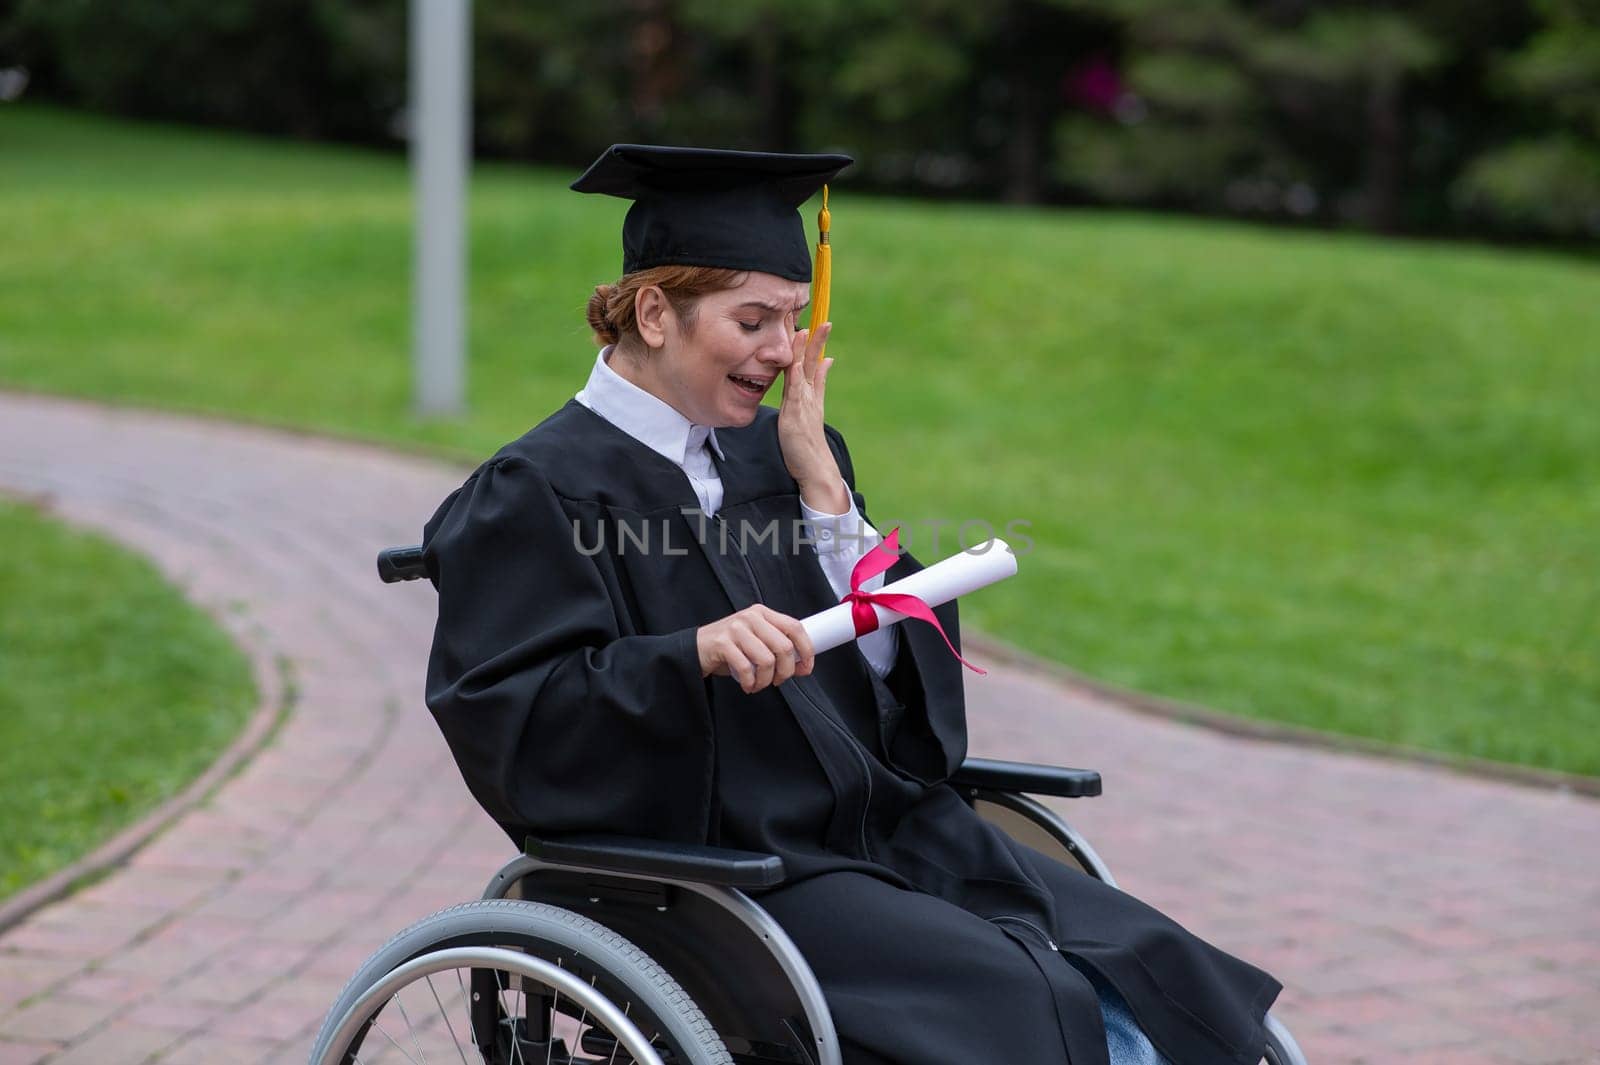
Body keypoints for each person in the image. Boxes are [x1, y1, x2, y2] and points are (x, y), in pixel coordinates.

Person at [421, 143, 1281, 1065]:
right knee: (1032, 998)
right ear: (655, 311)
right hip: (731, 875)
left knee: (1150, 965)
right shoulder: (540, 489)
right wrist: (690, 653)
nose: (782, 351)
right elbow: (510, 715)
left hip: (887, 830)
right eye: (752, 319)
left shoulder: (784, 454)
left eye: (793, 318)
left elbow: (889, 686)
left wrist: (828, 501)